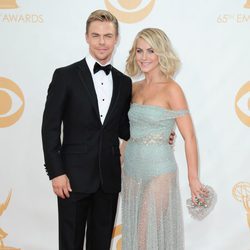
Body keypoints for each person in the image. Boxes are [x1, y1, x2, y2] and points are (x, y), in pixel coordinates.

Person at [41, 10, 132, 250]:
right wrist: (56, 172)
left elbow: (124, 127)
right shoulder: (65, 76)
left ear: (116, 38)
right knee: (70, 244)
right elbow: (50, 128)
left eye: (108, 36)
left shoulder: (124, 82)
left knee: (100, 245)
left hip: (109, 179)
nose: (102, 42)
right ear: (86, 37)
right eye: (96, 35)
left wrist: (158, 132)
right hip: (72, 179)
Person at [121, 28, 207, 250]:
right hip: (130, 171)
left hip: (160, 172)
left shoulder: (172, 89)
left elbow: (189, 137)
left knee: (144, 236)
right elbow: (128, 134)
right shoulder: (132, 88)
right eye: (139, 51)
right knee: (133, 235)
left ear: (161, 53)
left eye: (151, 50)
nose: (144, 57)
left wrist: (193, 178)